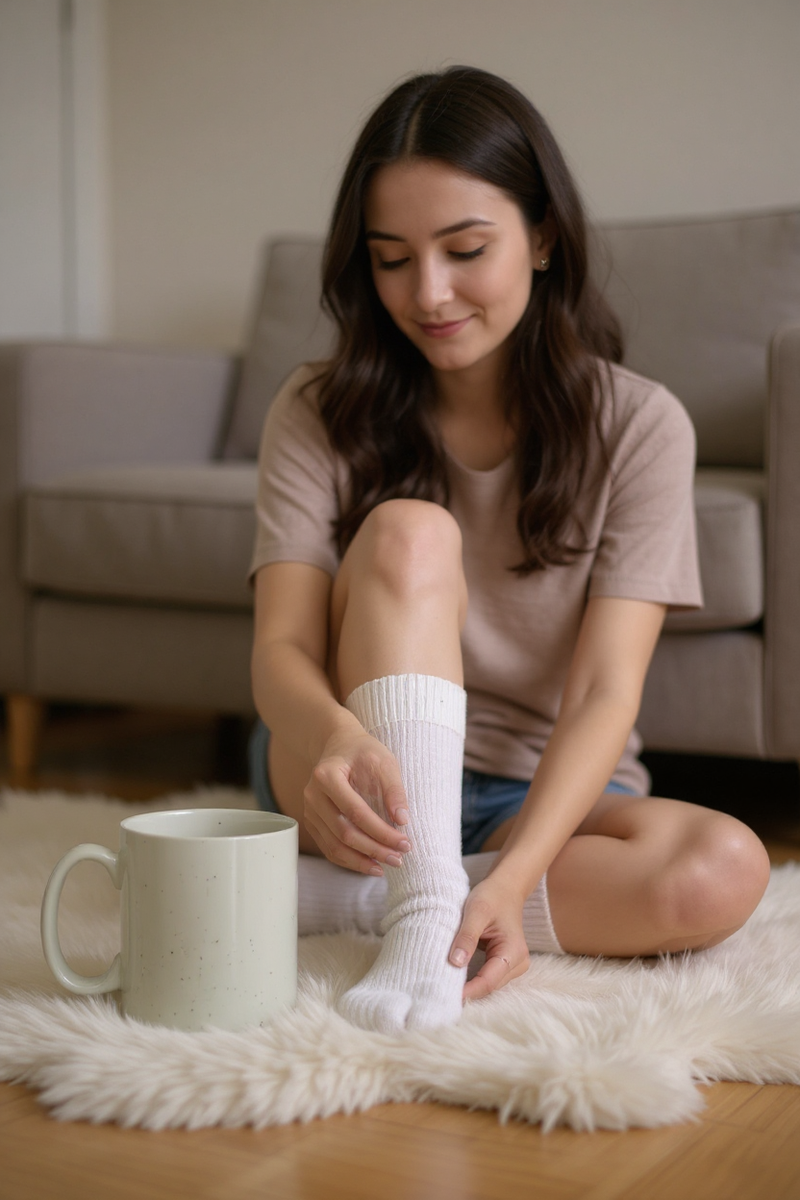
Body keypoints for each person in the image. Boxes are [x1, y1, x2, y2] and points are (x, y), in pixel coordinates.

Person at [248, 66, 770, 1034]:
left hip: (542, 782)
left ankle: (368, 900)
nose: (428, 293)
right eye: (391, 258)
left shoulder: (641, 425)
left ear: (540, 238)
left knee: (723, 867)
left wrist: (518, 873)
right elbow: (278, 650)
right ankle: (417, 897)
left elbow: (607, 694)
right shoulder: (317, 409)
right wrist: (333, 742)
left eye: (464, 249)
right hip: (354, 772)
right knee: (409, 530)